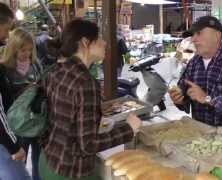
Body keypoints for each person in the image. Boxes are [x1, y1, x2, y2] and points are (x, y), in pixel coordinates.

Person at [39, 18, 141, 180]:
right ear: (85, 42)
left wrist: (96, 109)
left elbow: (63, 113)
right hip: (70, 170)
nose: (105, 43)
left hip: (48, 160)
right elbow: (88, 144)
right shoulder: (85, 82)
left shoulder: (57, 70)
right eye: (99, 38)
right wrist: (129, 129)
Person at [169, 16, 222, 137]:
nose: (193, 39)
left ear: (217, 36)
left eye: (199, 33)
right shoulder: (194, 63)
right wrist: (179, 100)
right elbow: (184, 94)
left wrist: (208, 99)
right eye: (193, 35)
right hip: (201, 137)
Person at [1, 27, 43, 180]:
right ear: (13, 48)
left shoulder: (36, 64)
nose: (26, 53)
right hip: (18, 125)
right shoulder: (4, 69)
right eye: (22, 50)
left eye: (30, 50)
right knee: (19, 162)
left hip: (37, 121)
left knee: (38, 160)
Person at [0, 2, 31, 180]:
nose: (6, 34)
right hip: (5, 141)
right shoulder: (6, 66)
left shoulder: (34, 64)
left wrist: (22, 88)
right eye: (6, 28)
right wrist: (13, 146)